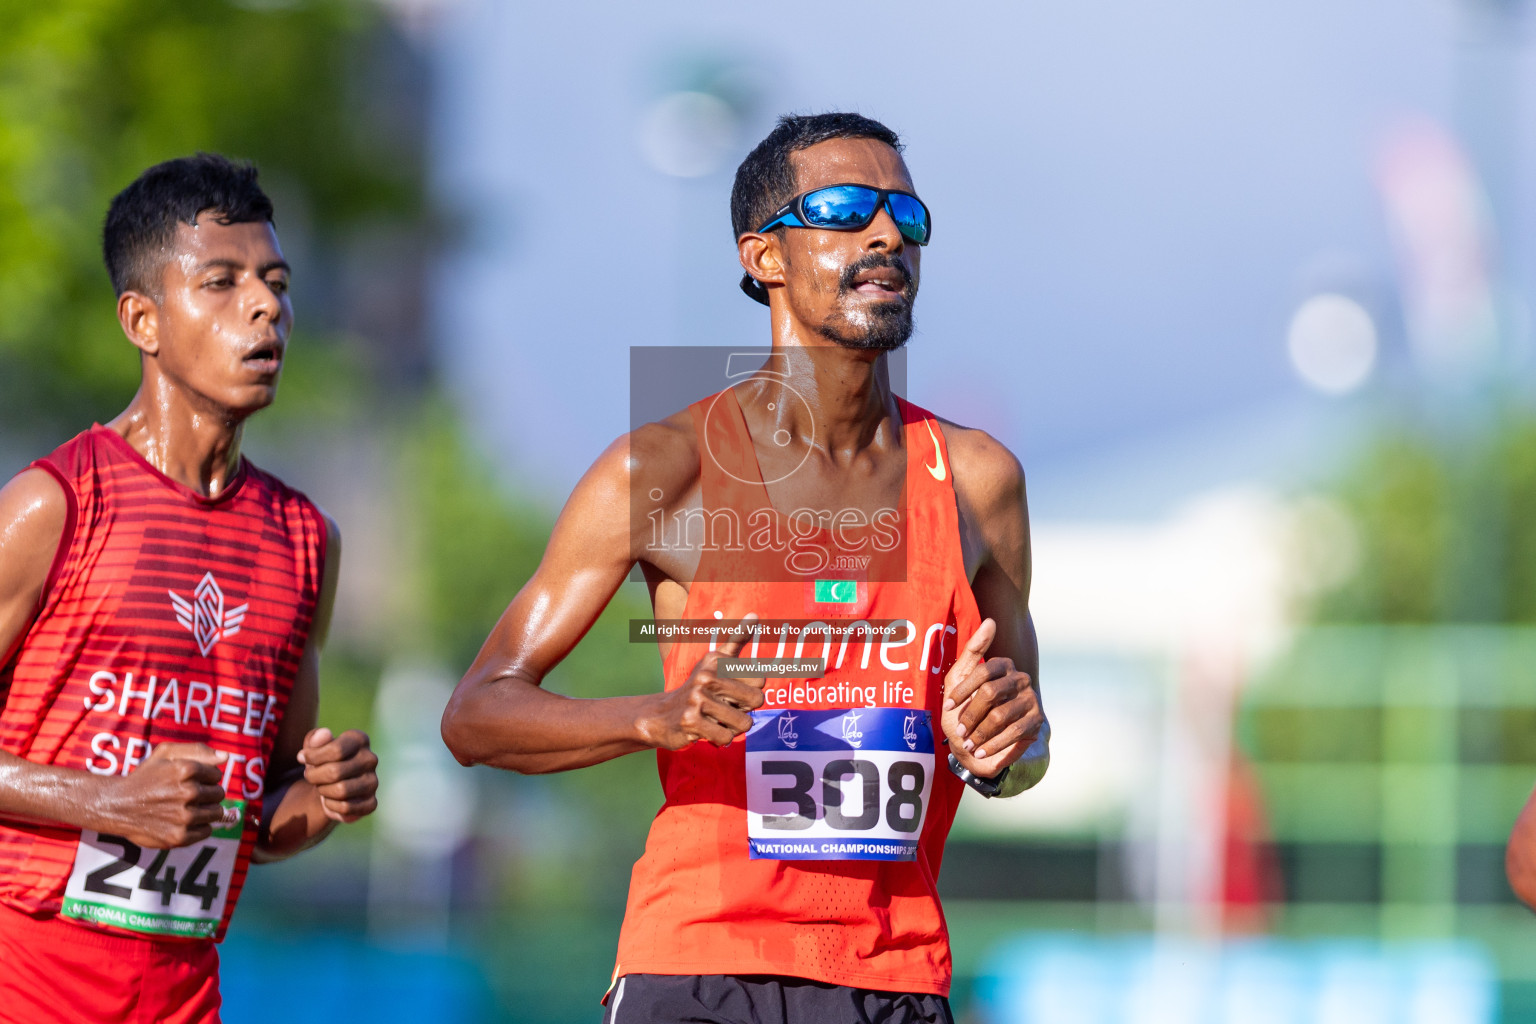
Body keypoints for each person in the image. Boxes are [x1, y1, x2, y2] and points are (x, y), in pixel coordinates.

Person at [442, 112, 1048, 1024]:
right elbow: (477, 714)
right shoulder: (662, 468)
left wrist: (1007, 749)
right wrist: (652, 716)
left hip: (893, 977)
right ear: (763, 256)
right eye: (844, 210)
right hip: (699, 966)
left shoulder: (976, 480)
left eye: (907, 217)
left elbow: (1024, 746)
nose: (886, 235)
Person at [0, 154, 379, 1024]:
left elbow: (260, 812)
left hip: (182, 994)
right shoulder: (53, 505)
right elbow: (127, 802)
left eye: (276, 283)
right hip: (25, 980)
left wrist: (326, 796)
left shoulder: (304, 540)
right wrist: (103, 800)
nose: (265, 306)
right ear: (143, 319)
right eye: (221, 281)